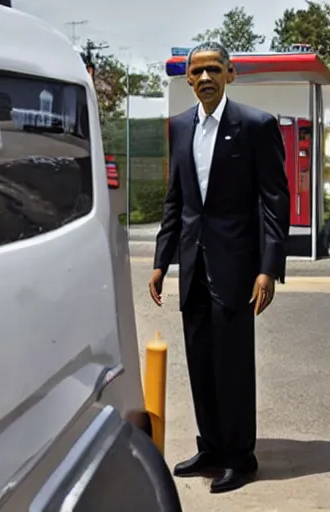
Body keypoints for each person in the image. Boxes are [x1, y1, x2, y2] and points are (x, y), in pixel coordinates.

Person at [149, 41, 290, 494]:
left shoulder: (255, 126)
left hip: (236, 269)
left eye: (214, 70)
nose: (205, 78)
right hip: (192, 266)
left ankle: (239, 457)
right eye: (198, 72)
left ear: (230, 74)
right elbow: (177, 201)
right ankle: (211, 446)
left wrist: (268, 267)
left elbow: (273, 201)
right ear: (187, 79)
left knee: (233, 367)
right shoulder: (179, 126)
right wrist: (160, 261)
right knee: (201, 364)